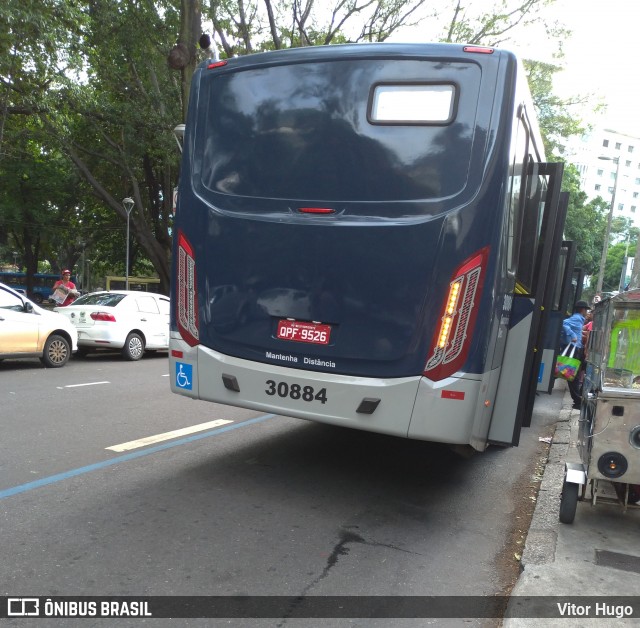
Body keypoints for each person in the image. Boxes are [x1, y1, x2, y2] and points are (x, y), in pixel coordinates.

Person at [562, 300, 590, 409]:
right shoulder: (577, 318)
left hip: (577, 349)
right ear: (582, 310)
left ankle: (578, 399)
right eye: (586, 310)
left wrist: (579, 333)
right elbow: (564, 323)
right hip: (574, 349)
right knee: (573, 375)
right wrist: (573, 335)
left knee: (575, 374)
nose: (586, 312)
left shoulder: (579, 319)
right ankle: (577, 400)